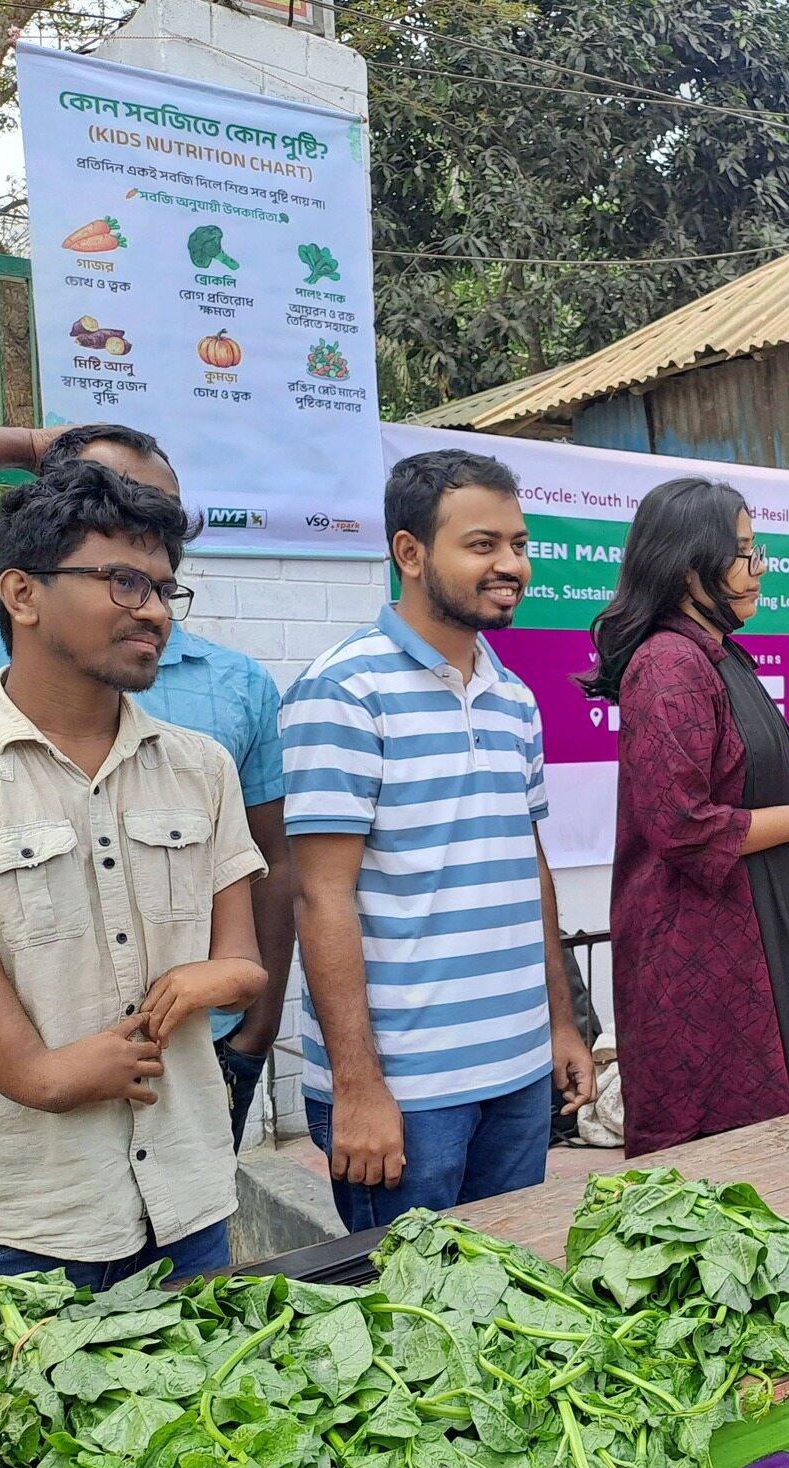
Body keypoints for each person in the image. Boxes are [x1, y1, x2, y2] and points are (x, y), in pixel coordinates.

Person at [0, 464, 268, 1338]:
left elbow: (244, 963)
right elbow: (25, 1066)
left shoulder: (202, 767)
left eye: (163, 588)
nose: (154, 610)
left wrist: (212, 979)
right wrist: (56, 1074)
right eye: (123, 581)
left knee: (201, 1428)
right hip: (7, 1228)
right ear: (22, 594)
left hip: (185, 1208)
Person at [281, 449, 596, 1232]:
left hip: (518, 1075)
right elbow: (320, 896)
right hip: (407, 1096)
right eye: (482, 544)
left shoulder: (514, 697)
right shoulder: (343, 690)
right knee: (409, 1299)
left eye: (518, 545)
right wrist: (357, 1087)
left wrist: (561, 1025)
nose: (511, 565)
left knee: (515, 1279)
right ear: (410, 553)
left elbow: (527, 867)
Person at [580, 478, 789, 1156]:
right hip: (697, 960)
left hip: (747, 941)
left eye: (757, 550)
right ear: (687, 566)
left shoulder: (718, 654)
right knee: (713, 1165)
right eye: (743, 552)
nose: (757, 568)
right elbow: (680, 825)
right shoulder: (668, 665)